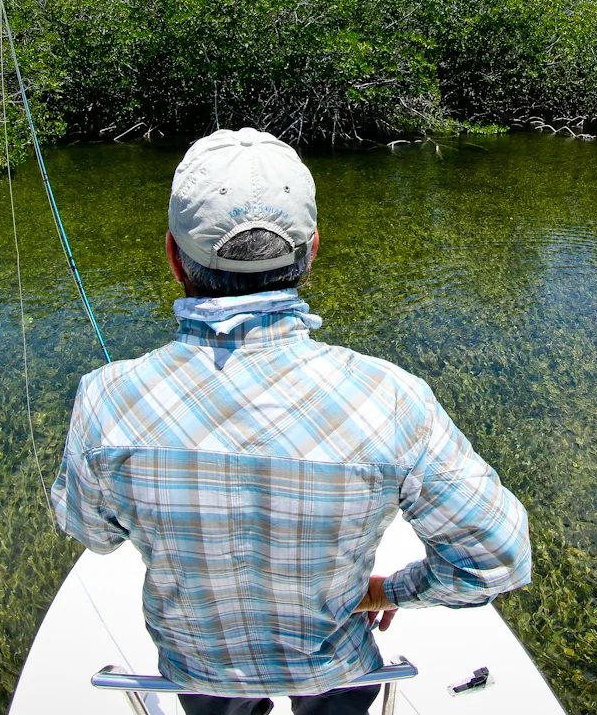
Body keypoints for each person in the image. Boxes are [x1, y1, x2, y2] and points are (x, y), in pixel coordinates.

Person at [51, 127, 531, 714]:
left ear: (174, 258)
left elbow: (93, 536)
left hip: (198, 671)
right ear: (313, 250)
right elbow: (497, 557)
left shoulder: (104, 399)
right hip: (335, 667)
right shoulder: (393, 398)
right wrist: (391, 590)